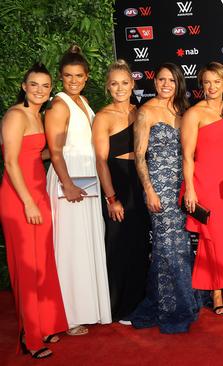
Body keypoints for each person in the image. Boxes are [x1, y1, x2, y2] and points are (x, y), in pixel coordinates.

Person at [1, 63, 68, 359]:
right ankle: (30, 337)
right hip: (19, 198)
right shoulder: (16, 115)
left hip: (38, 193)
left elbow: (35, 153)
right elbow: (11, 162)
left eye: (45, 86)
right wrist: (27, 201)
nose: (39, 90)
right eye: (34, 85)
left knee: (42, 262)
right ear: (24, 86)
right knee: (27, 267)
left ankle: (45, 324)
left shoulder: (38, 116)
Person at [45, 45, 111, 335]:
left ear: (86, 77)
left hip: (87, 180)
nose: (73, 80)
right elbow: (55, 151)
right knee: (70, 246)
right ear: (61, 77)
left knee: (85, 244)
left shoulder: (83, 100)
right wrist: (67, 183)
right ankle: (68, 315)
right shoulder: (59, 105)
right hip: (69, 179)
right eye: (68, 76)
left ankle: (86, 307)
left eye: (79, 76)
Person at [129, 63, 200, 333]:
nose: (166, 84)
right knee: (166, 247)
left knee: (177, 246)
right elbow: (139, 156)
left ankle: (175, 299)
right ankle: (172, 306)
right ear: (155, 82)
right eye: (161, 79)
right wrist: (149, 189)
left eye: (171, 80)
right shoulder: (145, 111)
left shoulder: (184, 112)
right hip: (159, 187)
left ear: (178, 82)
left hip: (182, 187)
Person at [92, 60, 150, 323]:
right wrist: (111, 198)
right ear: (108, 87)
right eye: (114, 83)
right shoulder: (103, 117)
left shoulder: (141, 113)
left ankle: (139, 303)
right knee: (119, 247)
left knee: (139, 245)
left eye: (124, 83)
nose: (120, 88)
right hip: (117, 184)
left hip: (139, 184)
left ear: (133, 84)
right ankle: (120, 307)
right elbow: (101, 161)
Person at [181, 62, 223, 315]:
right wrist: (191, 190)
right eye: (207, 82)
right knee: (212, 239)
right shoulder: (194, 113)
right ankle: (219, 291)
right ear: (201, 85)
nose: (212, 87)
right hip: (205, 183)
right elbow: (186, 156)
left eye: (217, 81)